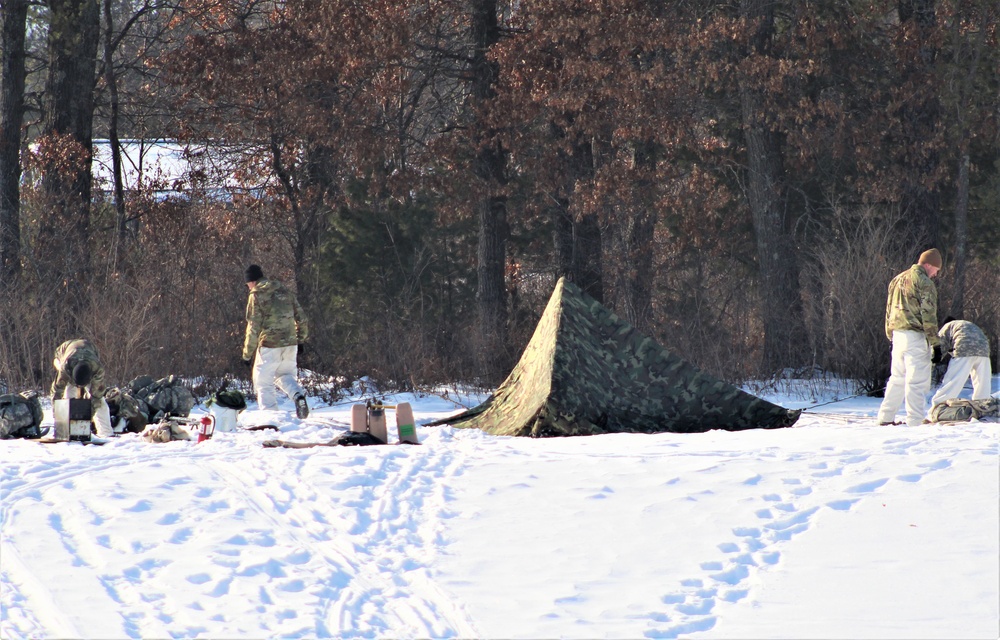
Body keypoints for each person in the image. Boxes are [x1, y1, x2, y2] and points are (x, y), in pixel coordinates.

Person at [876, 248, 942, 427]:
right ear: (927, 264)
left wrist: (890, 335)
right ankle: (915, 421)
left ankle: (885, 417)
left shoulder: (897, 279)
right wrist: (935, 344)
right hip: (916, 336)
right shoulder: (924, 282)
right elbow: (928, 315)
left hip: (897, 335)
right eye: (936, 269)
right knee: (917, 380)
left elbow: (889, 310)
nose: (936, 274)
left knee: (897, 378)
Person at [242, 264, 310, 418]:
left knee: (263, 382)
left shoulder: (256, 294)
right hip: (290, 343)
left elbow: (253, 327)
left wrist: (247, 354)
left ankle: (270, 419)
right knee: (284, 375)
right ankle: (298, 396)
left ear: (252, 281)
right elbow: (302, 318)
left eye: (247, 284)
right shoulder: (284, 291)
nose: (248, 287)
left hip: (269, 344)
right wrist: (300, 340)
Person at [51, 338, 114, 437]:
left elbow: (96, 397)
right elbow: (56, 392)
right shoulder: (65, 368)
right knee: (67, 394)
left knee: (100, 401)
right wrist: (58, 415)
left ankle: (106, 433)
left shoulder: (97, 370)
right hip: (62, 355)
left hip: (89, 354)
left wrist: (87, 416)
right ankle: (64, 431)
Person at [928, 317, 992, 410]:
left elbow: (939, 346)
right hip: (984, 350)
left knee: (953, 380)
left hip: (964, 348)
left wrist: (932, 360)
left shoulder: (948, 326)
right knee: (982, 382)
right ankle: (982, 407)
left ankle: (938, 407)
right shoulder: (968, 324)